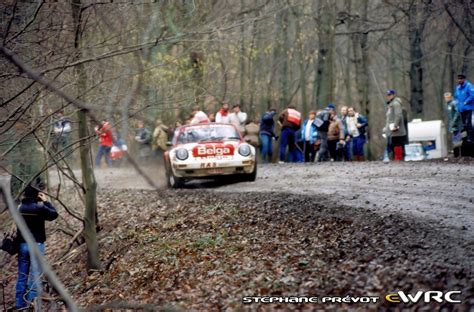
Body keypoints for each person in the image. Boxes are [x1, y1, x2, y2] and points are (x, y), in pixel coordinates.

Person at [15, 185, 58, 310]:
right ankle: (31, 304)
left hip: (22, 245)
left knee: (22, 275)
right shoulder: (40, 208)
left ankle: (20, 304)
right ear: (37, 195)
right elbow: (54, 215)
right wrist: (46, 201)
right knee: (35, 275)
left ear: (24, 195)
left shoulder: (19, 208)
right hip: (36, 245)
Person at [454, 74, 474, 155]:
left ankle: (470, 138)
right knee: (463, 125)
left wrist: (466, 101)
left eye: (461, 79)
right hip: (461, 109)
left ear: (464, 79)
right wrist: (457, 104)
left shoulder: (469, 86)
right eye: (458, 79)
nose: (459, 80)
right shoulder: (458, 88)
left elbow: (472, 95)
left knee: (468, 123)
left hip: (468, 108)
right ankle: (464, 138)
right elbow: (456, 97)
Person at [384, 90, 407, 161]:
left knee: (397, 144)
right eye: (388, 95)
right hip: (392, 130)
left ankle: (398, 159)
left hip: (397, 130)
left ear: (394, 95)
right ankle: (395, 158)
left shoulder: (396, 104)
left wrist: (395, 126)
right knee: (393, 145)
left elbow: (398, 115)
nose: (389, 96)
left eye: (390, 95)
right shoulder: (391, 104)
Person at [445, 92, 464, 157]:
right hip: (453, 126)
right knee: (455, 139)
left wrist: (453, 121)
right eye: (445, 97)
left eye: (448, 97)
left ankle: (459, 154)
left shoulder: (454, 103)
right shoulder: (448, 105)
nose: (446, 99)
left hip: (457, 125)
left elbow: (457, 112)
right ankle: (456, 154)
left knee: (458, 139)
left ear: (450, 97)